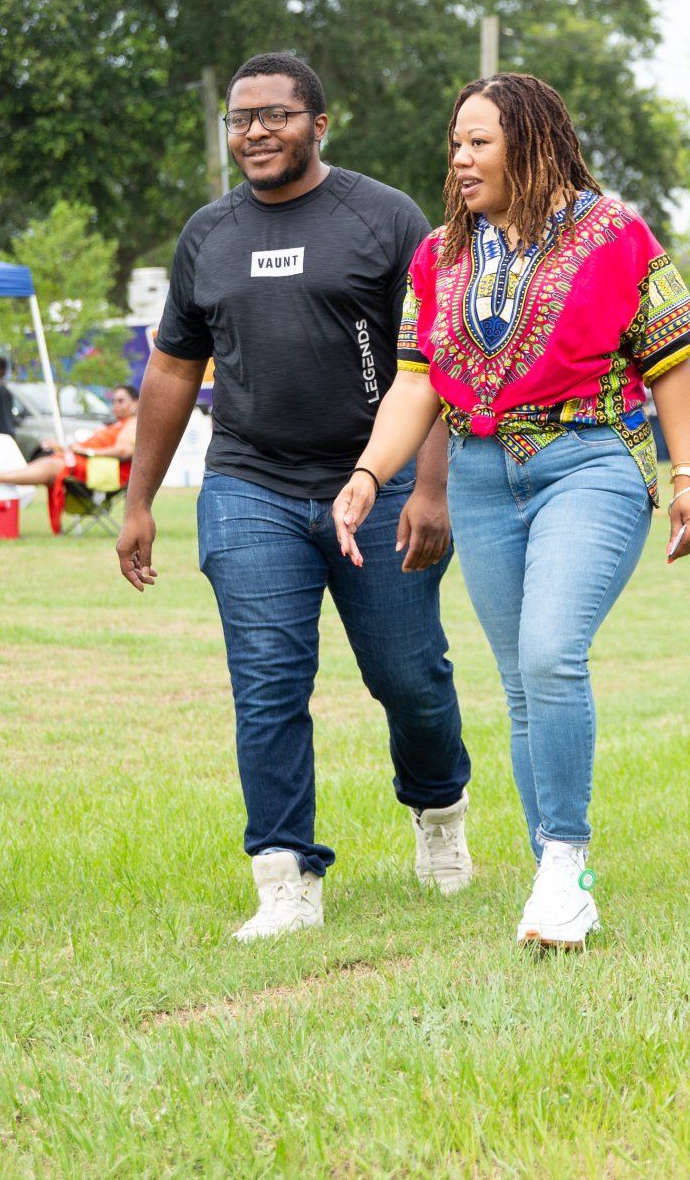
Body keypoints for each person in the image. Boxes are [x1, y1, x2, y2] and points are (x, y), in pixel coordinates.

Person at [332, 73, 690, 950]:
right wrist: (368, 472)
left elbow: (670, 363)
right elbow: (419, 380)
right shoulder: (440, 256)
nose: (460, 160)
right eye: (455, 145)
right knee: (519, 685)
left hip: (590, 460)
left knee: (551, 652)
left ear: (533, 143)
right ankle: (553, 868)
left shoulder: (614, 233)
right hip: (478, 471)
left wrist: (689, 477)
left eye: (479, 143)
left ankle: (565, 864)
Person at [117, 51, 472, 942]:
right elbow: (171, 370)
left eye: (275, 115)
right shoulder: (208, 234)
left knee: (408, 676)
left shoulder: (385, 218)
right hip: (250, 483)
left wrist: (429, 487)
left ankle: (438, 813)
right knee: (269, 682)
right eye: (240, 119)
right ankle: (284, 873)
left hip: (379, 484)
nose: (255, 132)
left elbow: (430, 364)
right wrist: (139, 498)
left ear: (319, 123)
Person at [0, 383, 139, 489]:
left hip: (102, 470)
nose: (115, 405)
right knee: (49, 459)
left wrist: (87, 452)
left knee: (51, 464)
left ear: (136, 403)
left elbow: (124, 451)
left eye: (121, 401)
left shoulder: (132, 423)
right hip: (87, 462)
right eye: (114, 401)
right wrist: (64, 448)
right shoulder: (115, 424)